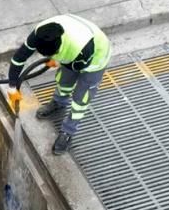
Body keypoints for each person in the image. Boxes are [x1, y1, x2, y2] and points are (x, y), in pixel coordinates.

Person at [7, 14, 112, 155]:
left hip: (95, 57)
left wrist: (57, 61)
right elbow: (18, 59)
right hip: (73, 50)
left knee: (81, 97)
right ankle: (59, 103)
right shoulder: (39, 33)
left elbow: (77, 66)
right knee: (64, 81)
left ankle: (68, 131)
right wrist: (12, 88)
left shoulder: (81, 48)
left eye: (54, 53)